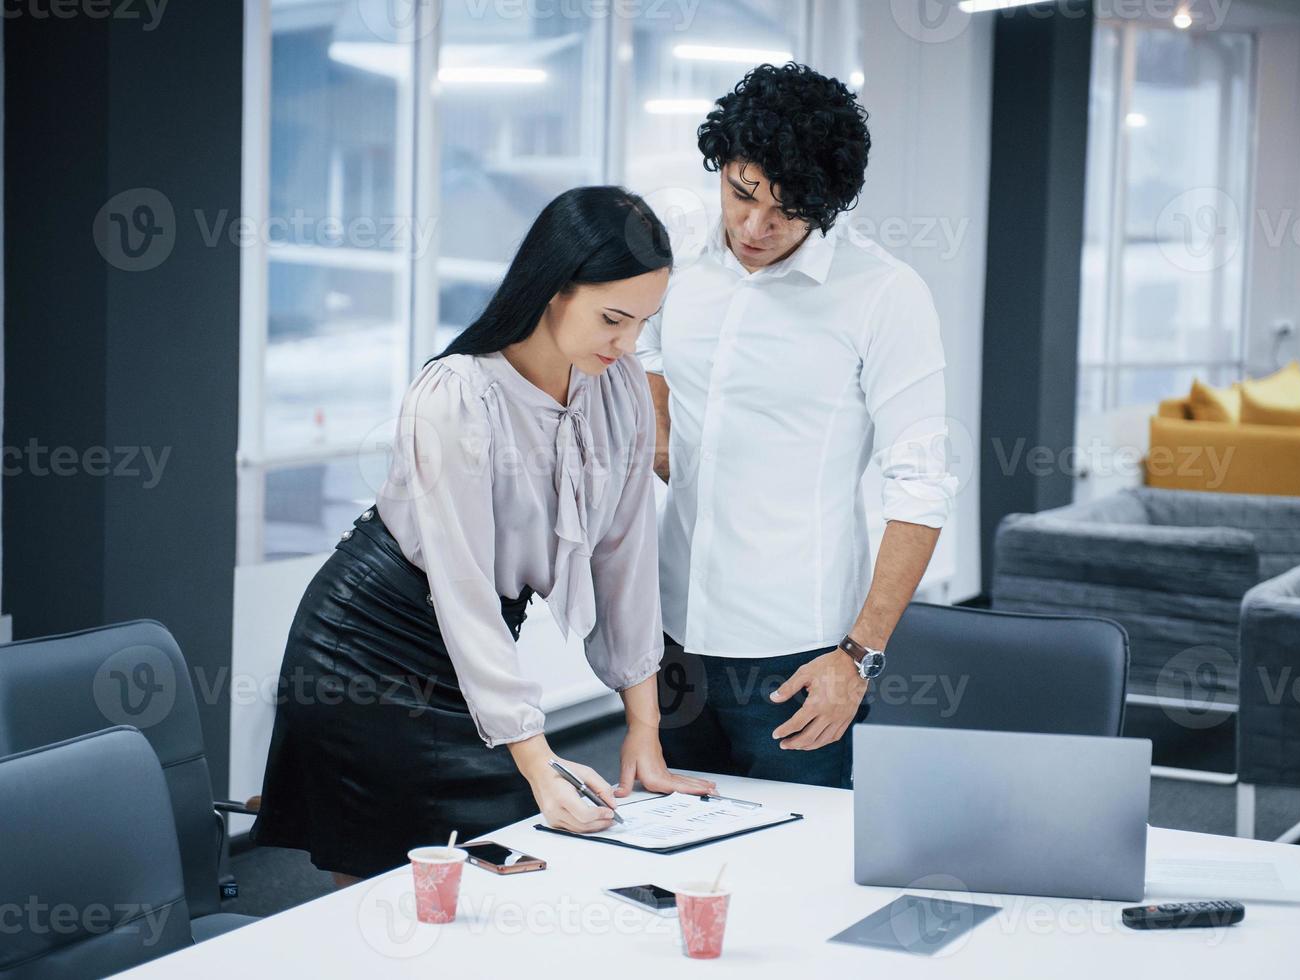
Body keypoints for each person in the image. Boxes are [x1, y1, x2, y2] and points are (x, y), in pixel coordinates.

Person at [252, 186, 715, 886]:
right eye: (612, 319)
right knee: (406, 881)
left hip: (475, 642)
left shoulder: (617, 387)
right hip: (369, 649)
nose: (626, 345)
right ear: (552, 290)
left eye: (642, 324)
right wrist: (536, 757)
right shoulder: (457, 396)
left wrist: (644, 731)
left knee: (506, 864)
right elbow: (463, 588)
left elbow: (625, 559)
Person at [638, 63, 959, 790]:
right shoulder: (677, 256)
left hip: (798, 654)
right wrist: (658, 416)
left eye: (787, 210)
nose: (755, 227)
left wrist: (860, 655)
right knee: (669, 863)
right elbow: (642, 338)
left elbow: (921, 484)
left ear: (830, 204)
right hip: (670, 636)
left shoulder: (882, 294)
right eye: (741, 194)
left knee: (791, 876)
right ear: (720, 167)